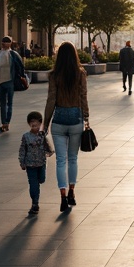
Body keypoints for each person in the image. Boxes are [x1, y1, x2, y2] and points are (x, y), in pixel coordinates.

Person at [44, 41, 90, 213]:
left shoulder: (54, 75)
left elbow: (51, 100)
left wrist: (45, 123)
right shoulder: (80, 74)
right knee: (73, 159)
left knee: (60, 160)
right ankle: (72, 192)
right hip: (76, 118)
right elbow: (83, 96)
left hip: (59, 119)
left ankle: (62, 196)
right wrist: (86, 117)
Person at [19, 110, 50, 216]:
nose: (34, 124)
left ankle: (35, 199)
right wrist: (22, 161)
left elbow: (47, 127)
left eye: (36, 122)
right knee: (33, 184)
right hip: (30, 165)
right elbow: (22, 149)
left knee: (42, 179)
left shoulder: (42, 134)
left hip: (41, 163)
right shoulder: (26, 136)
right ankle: (35, 203)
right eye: (31, 122)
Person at [0, 36, 24, 132]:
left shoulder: (13, 54)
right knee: (2, 104)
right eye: (3, 41)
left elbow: (20, 65)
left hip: (10, 81)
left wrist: (20, 76)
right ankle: (3, 123)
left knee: (9, 103)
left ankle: (7, 123)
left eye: (7, 42)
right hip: (0, 82)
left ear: (10, 43)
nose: (4, 43)